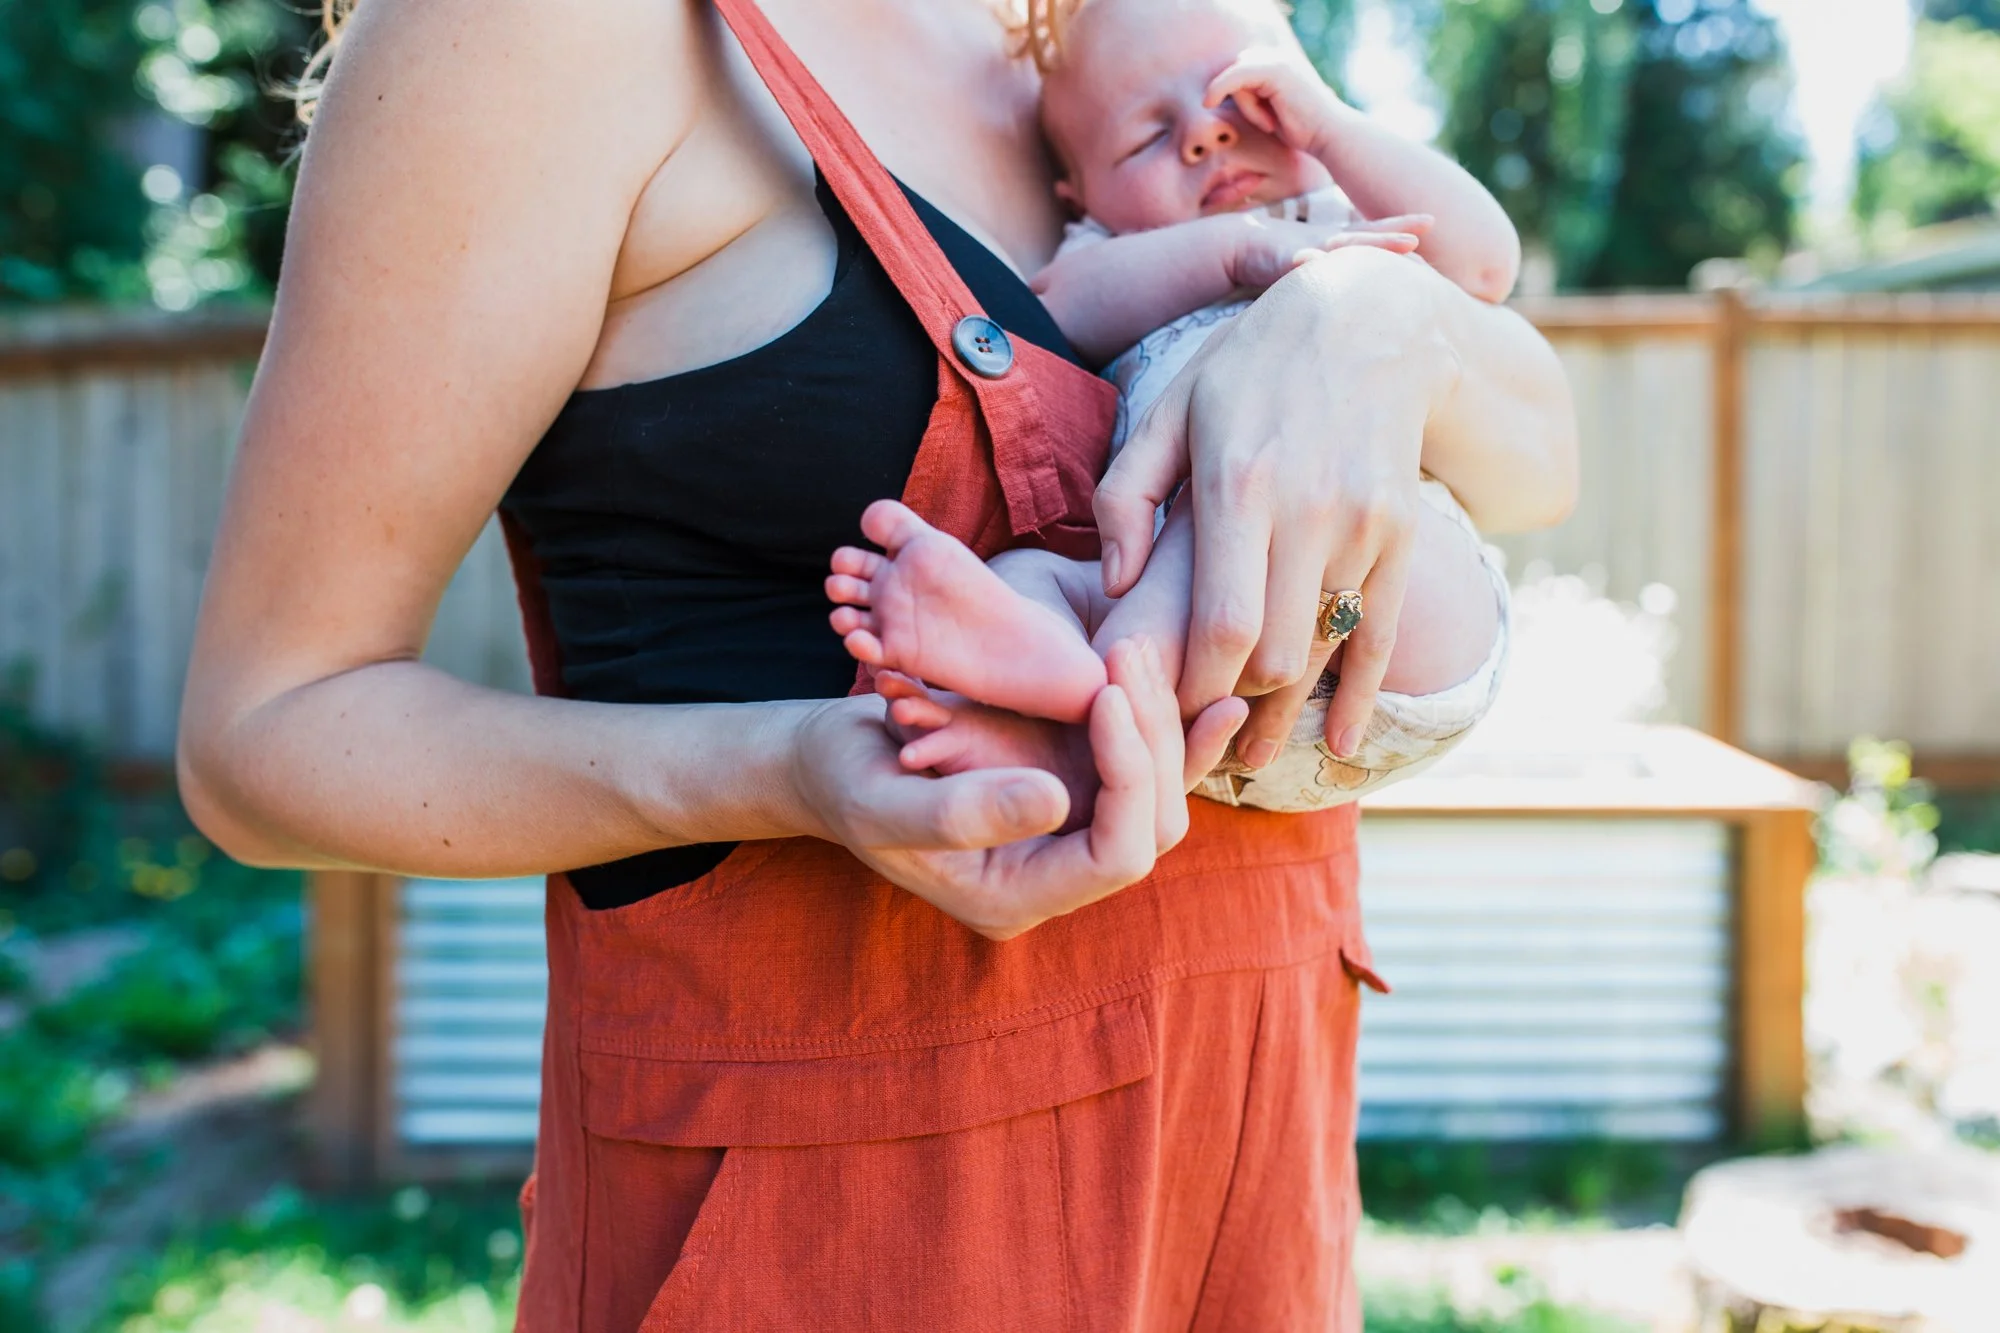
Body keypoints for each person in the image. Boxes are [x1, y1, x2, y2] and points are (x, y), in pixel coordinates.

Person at [176, 0, 1577, 1327]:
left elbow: (1537, 468)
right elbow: (269, 734)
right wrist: (789, 768)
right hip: (856, 1221)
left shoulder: (1081, 51)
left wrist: (1365, 316)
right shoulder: (545, 37)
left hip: (1246, 1185)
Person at [827, 0, 1517, 815]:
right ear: (1079, 193)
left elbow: (1484, 266)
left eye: (1242, 94)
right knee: (1036, 580)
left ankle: (1099, 709)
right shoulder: (1115, 255)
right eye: (1146, 137)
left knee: (1237, 468)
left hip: (1405, 609)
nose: (1204, 132)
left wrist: (1330, 129)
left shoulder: (1341, 212)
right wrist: (1237, 250)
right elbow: (1058, 304)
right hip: (1204, 678)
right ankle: (1043, 708)